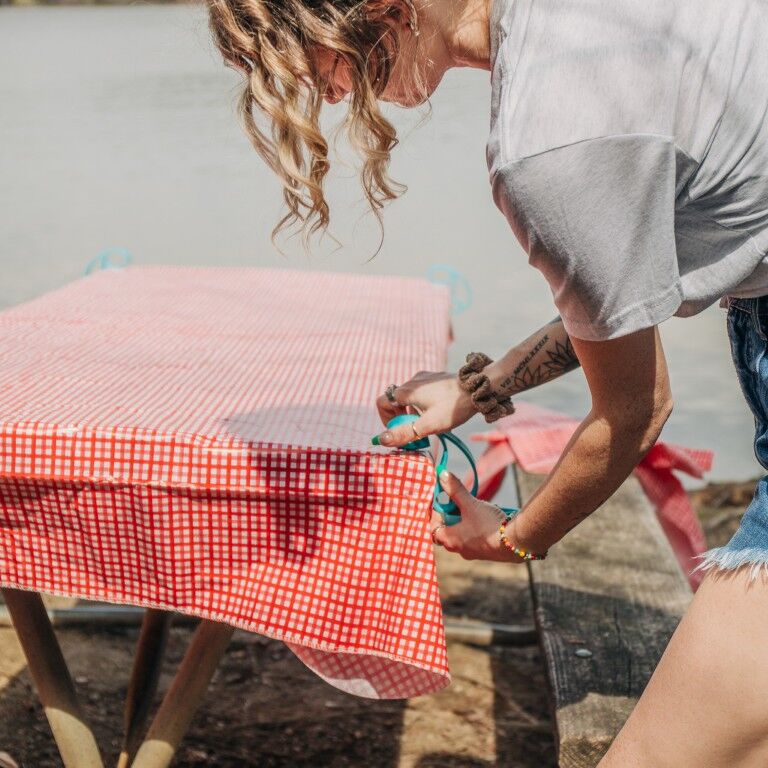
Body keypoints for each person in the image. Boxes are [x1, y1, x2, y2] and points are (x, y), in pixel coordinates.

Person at [206, 0, 768, 763]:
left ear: (376, 12)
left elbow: (634, 411)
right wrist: (476, 390)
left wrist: (510, 537)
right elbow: (619, 309)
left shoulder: (547, 140)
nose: (330, 96)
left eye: (316, 65)